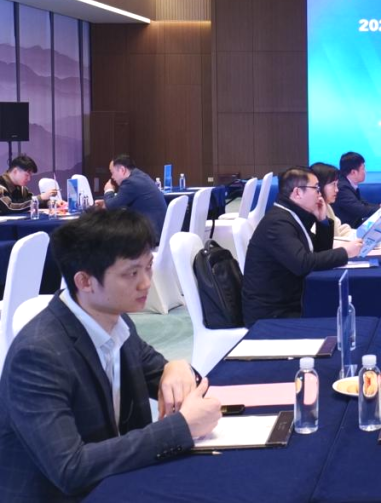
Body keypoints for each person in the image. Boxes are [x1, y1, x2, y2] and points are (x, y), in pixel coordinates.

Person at [0, 208, 222, 501]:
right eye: (131, 273)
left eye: (148, 267)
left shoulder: (115, 319)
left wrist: (177, 367)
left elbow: (163, 373)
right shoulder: (38, 355)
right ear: (85, 282)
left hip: (118, 481)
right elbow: (71, 469)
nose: (146, 283)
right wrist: (179, 428)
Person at [241, 167, 361, 326]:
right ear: (297, 193)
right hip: (272, 313)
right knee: (341, 314)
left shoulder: (292, 216)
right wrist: (345, 253)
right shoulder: (278, 223)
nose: (319, 194)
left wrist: (322, 221)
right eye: (316, 188)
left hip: (291, 302)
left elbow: (318, 252)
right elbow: (303, 263)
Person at [103, 154, 168, 242]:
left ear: (122, 170)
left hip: (150, 237)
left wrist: (108, 190)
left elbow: (112, 206)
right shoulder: (141, 176)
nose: (112, 177)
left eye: (112, 172)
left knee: (110, 238)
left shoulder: (130, 182)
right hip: (159, 233)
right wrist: (107, 201)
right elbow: (123, 200)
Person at [334, 152, 381, 227]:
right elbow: (360, 209)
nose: (366, 171)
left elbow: (362, 203)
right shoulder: (342, 187)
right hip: (346, 229)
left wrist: (380, 206)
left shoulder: (347, 183)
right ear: (353, 172)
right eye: (363, 168)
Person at [311, 162, 355, 244]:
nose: (337, 190)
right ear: (319, 186)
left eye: (337, 185)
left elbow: (338, 229)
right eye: (333, 185)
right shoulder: (311, 209)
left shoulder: (326, 205)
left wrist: (361, 234)